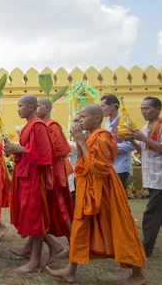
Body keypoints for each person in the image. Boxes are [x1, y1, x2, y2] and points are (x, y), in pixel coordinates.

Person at [47, 104, 147, 284]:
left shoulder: (103, 137)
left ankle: (138, 274)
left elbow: (100, 169)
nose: (80, 121)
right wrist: (79, 142)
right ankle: (70, 271)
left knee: (118, 228)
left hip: (105, 192)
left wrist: (83, 144)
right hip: (88, 190)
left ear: (97, 119)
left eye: (83, 117)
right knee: (80, 228)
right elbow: (80, 167)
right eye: (79, 118)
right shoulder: (88, 137)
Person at [4, 95, 56, 273]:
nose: (18, 109)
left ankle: (35, 262)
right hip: (25, 174)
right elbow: (27, 151)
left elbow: (44, 154)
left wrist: (19, 149)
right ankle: (49, 248)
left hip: (34, 177)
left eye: (21, 106)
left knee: (35, 216)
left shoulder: (38, 126)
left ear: (31, 107)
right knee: (29, 214)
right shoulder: (28, 126)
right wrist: (13, 150)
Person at [128, 96, 162, 257]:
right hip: (152, 174)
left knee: (152, 212)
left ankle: (145, 248)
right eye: (141, 108)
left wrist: (143, 138)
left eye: (147, 108)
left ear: (158, 109)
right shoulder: (146, 128)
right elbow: (144, 152)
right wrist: (134, 141)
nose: (143, 111)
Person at [37, 98, 74, 256]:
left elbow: (63, 151)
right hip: (43, 172)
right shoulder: (39, 126)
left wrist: (40, 152)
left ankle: (75, 245)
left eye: (38, 106)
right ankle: (29, 248)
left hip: (55, 173)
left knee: (61, 210)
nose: (36, 109)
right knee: (40, 209)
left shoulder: (52, 126)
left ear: (47, 108)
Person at [100, 94, 135, 188]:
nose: (101, 109)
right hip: (110, 166)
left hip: (121, 167)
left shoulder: (124, 121)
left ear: (112, 107)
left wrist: (109, 147)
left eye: (103, 106)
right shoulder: (107, 124)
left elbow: (131, 145)